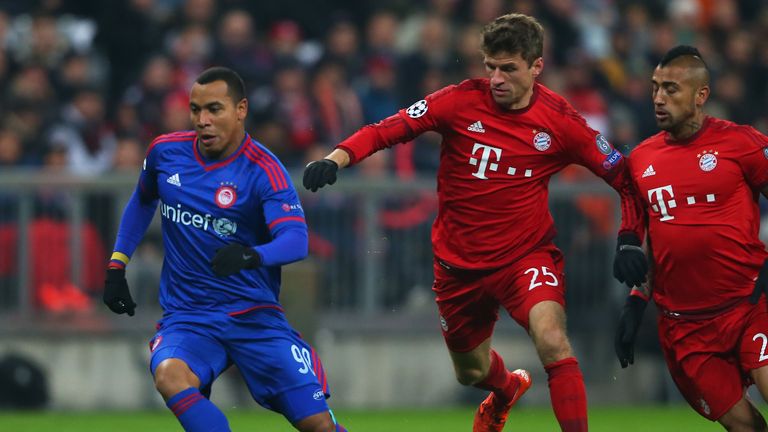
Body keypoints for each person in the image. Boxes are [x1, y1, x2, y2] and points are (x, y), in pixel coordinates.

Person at [303, 13, 647, 432]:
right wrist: (335, 158)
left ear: (536, 66)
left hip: (525, 257)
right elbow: (387, 129)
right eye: (490, 67)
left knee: (553, 341)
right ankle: (505, 390)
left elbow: (626, 179)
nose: (496, 78)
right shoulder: (459, 100)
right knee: (470, 371)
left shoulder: (562, 122)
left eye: (508, 68)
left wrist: (629, 237)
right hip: (458, 266)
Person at [102, 67, 346, 432]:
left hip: (254, 316)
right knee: (169, 376)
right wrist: (117, 265)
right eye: (195, 110)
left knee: (319, 426)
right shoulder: (165, 152)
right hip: (190, 316)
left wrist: (252, 255)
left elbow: (296, 241)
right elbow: (141, 201)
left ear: (241, 109)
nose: (203, 121)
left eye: (214, 109)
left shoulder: (265, 170)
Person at [614, 45, 768, 431]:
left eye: (670, 89)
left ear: (701, 96)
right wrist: (635, 303)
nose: (658, 99)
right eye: (654, 88)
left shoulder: (742, 143)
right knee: (746, 426)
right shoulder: (641, 160)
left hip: (748, 305)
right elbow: (651, 240)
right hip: (684, 329)